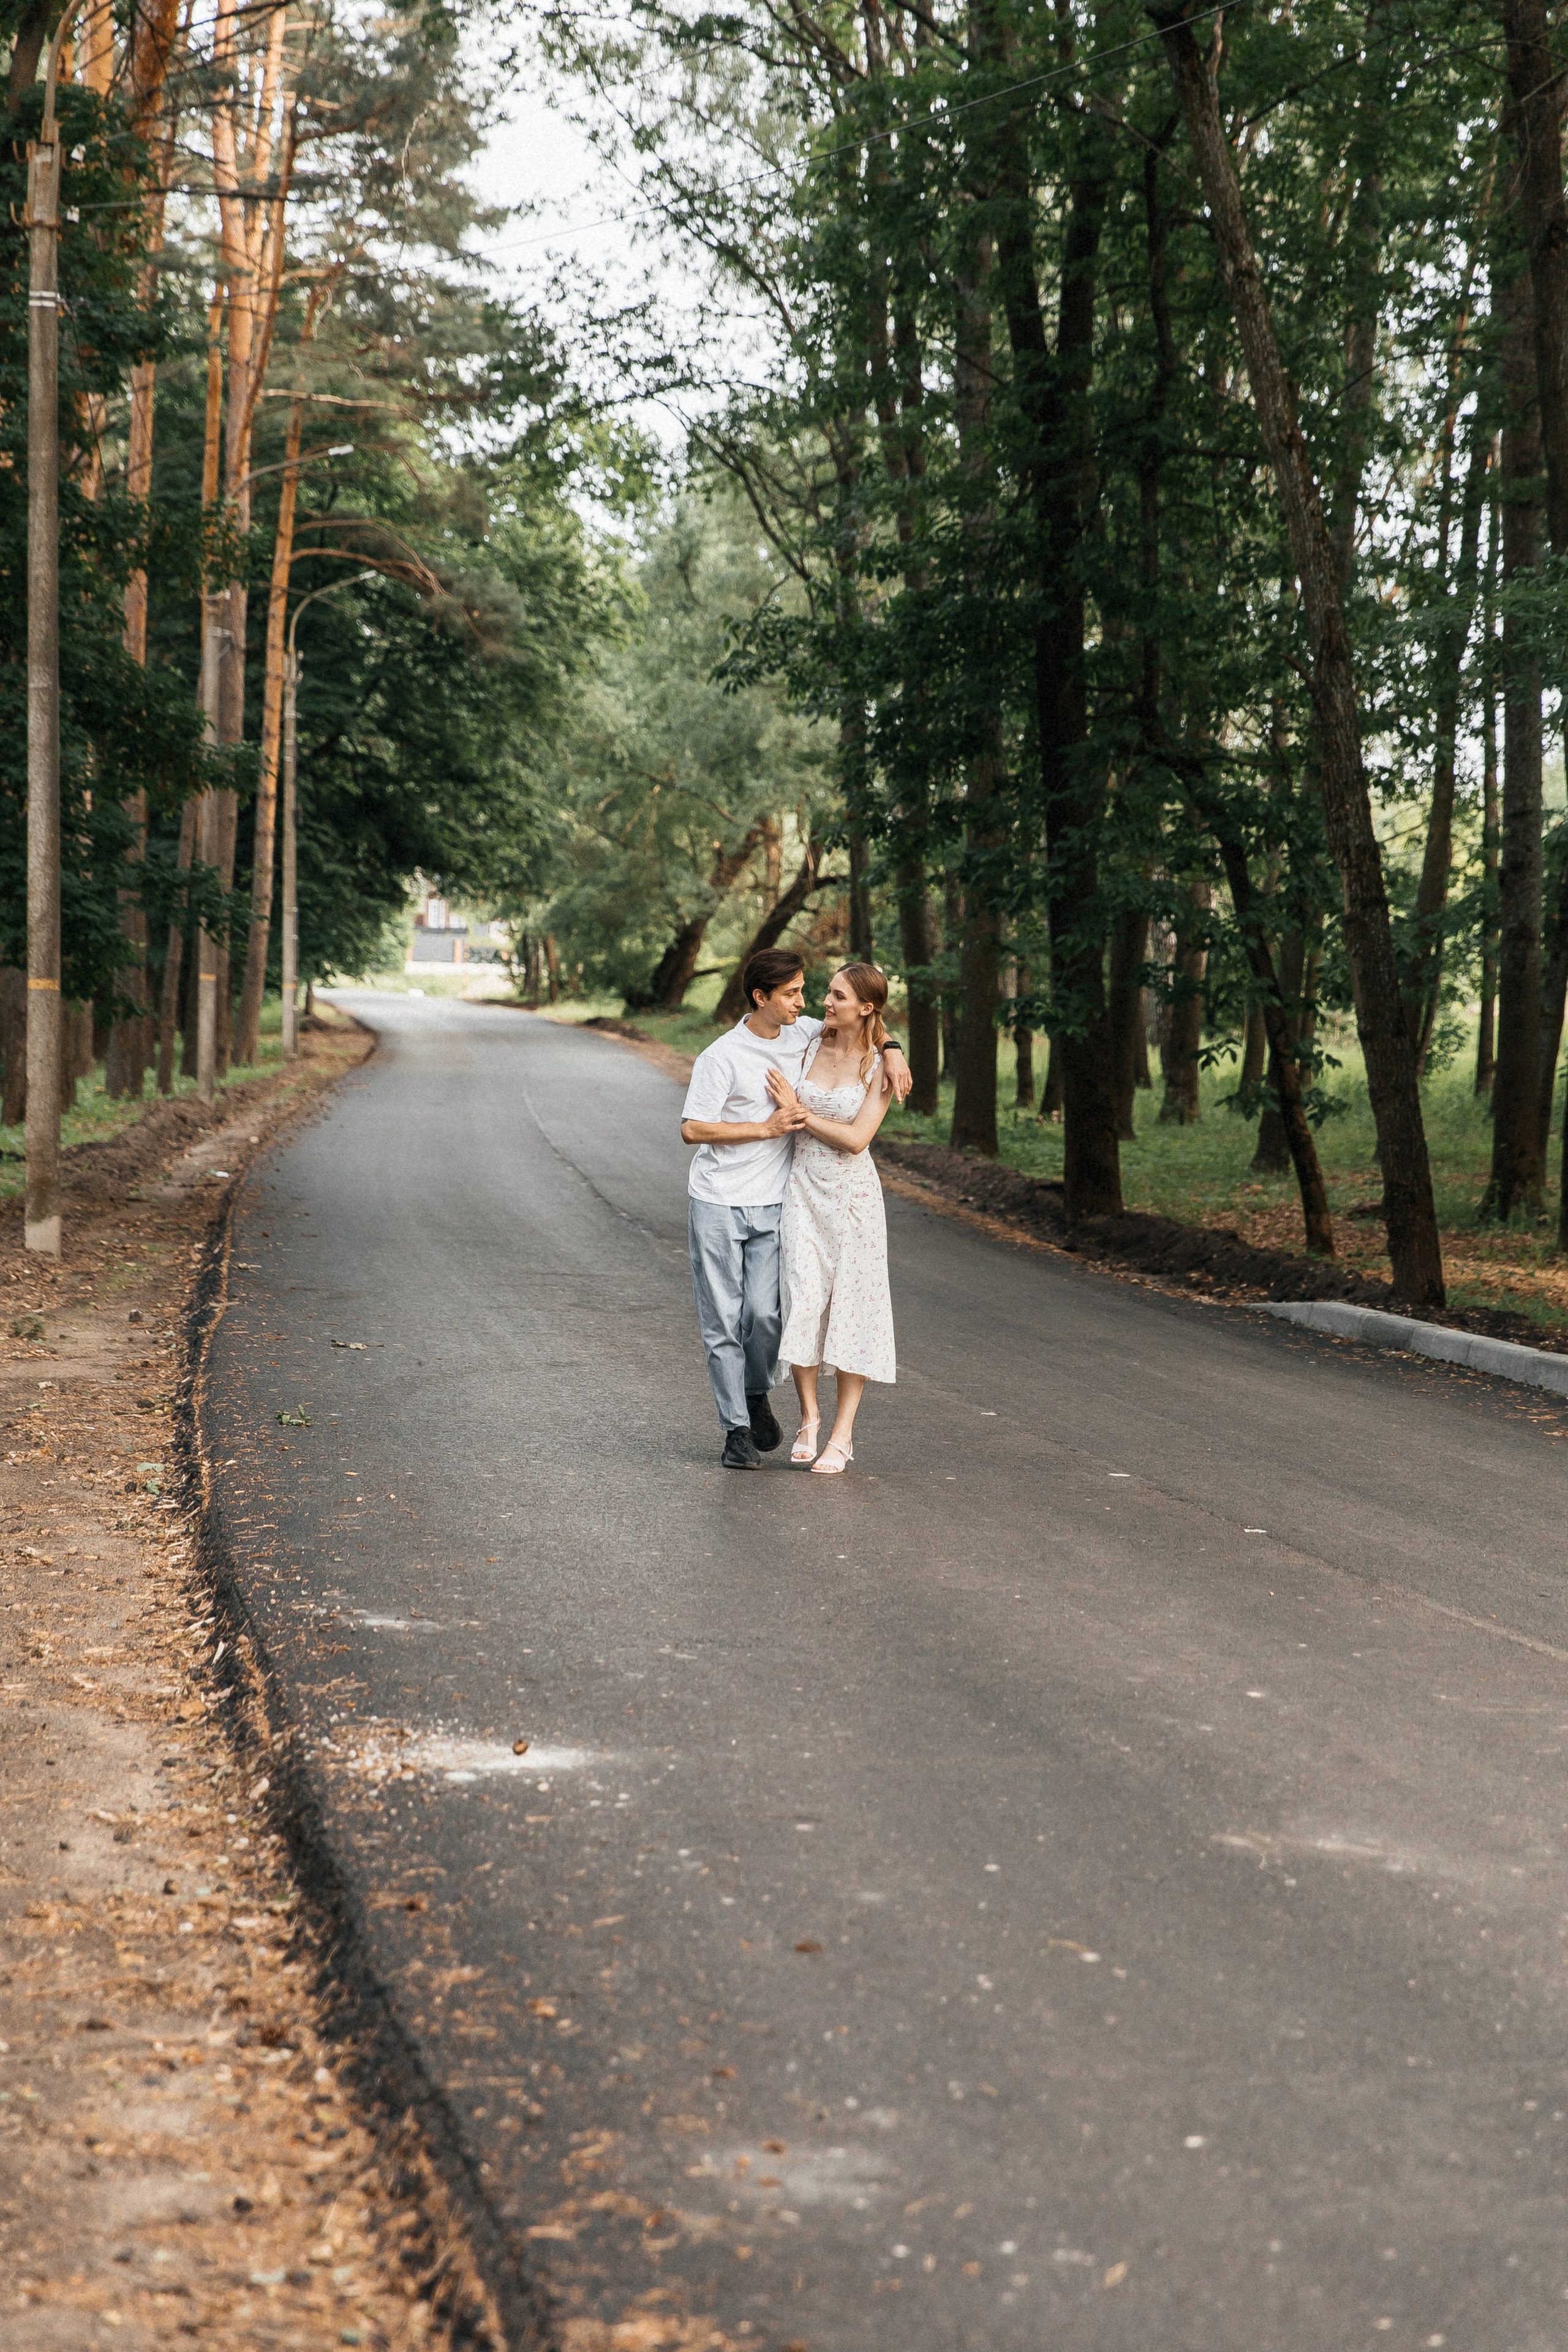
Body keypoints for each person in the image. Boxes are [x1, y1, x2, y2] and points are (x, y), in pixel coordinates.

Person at [680, 948, 911, 1469]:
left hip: (783, 1200)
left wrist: (894, 1048)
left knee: (766, 1315)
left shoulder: (804, 1032)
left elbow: (867, 1018)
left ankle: (757, 1391)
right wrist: (765, 1128)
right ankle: (737, 1429)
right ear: (761, 998)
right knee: (725, 1320)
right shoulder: (722, 1056)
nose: (807, 1003)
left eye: (813, 992)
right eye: (793, 993)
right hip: (723, 1199)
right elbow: (691, 1129)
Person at [766, 962, 897, 1474]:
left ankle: (842, 1435)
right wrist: (897, 1042)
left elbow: (858, 1139)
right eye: (827, 992)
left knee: (852, 1308)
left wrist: (800, 1115)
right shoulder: (806, 1041)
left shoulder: (879, 1066)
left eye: (838, 995)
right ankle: (809, 1417)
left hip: (853, 1199)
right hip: (801, 1189)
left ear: (864, 1007)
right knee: (803, 1298)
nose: (826, 1000)